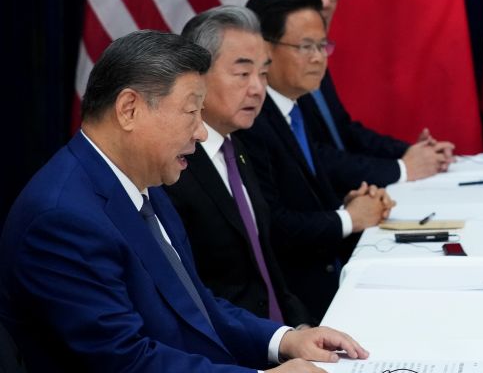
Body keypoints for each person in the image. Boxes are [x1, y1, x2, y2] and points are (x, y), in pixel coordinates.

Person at [0, 31, 368, 371]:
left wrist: (284, 340)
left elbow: (196, 306)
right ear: (129, 109)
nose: (202, 131)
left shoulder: (145, 184)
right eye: (192, 112)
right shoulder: (62, 219)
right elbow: (125, 361)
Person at [241, 0, 396, 319]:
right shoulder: (250, 120)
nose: (318, 57)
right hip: (296, 308)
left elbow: (305, 196)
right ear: (265, 49)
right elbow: (272, 225)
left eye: (322, 45)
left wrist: (351, 205)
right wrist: (349, 218)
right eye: (305, 47)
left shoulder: (297, 104)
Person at [254, 0, 453, 180]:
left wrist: (412, 153)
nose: (324, 2)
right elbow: (307, 155)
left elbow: (342, 131)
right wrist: (401, 168)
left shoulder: (314, 49)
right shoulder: (259, 65)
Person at [166, 6, 314, 326]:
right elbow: (192, 297)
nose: (258, 89)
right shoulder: (171, 167)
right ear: (196, 77)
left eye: (263, 74)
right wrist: (276, 344)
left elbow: (268, 268)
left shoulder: (239, 147)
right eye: (243, 73)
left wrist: (300, 326)